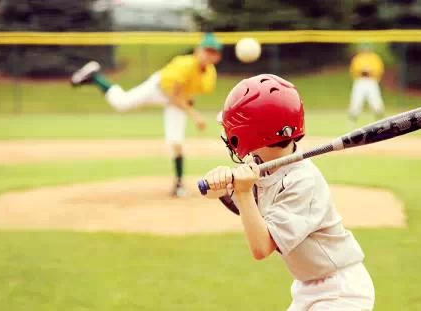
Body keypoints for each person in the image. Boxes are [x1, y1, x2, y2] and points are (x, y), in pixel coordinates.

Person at [203, 74, 375, 310]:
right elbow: (225, 199)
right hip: (306, 288)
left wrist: (243, 193)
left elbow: (261, 247)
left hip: (340, 292)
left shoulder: (303, 181)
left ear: (253, 132)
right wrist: (219, 183)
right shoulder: (261, 164)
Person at [70, 33, 223, 197]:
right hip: (158, 89)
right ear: (197, 50)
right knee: (121, 102)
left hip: (175, 100)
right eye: (206, 50)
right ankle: (95, 77)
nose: (209, 55)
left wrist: (189, 104)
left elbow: (188, 93)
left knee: (176, 141)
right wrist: (194, 115)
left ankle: (178, 185)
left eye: (213, 52)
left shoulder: (210, 75)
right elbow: (172, 95)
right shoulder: (184, 64)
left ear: (218, 56)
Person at [349, 42, 385, 123]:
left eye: (367, 48)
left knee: (375, 98)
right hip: (360, 80)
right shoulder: (358, 58)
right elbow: (353, 70)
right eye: (364, 48)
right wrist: (361, 71)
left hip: (371, 80)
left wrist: (371, 72)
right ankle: (353, 115)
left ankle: (378, 113)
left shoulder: (375, 58)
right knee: (356, 98)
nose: (366, 50)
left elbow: (379, 69)